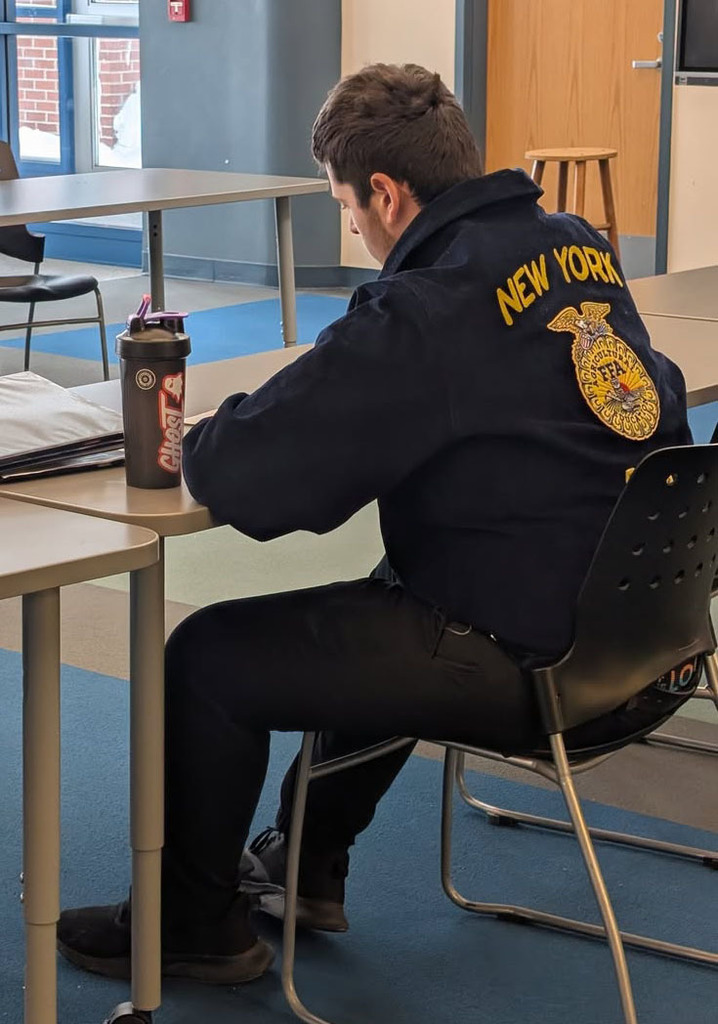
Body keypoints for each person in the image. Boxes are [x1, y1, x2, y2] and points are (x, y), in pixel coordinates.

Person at [57, 63, 695, 985]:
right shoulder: (577, 247)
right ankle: (306, 866)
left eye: (347, 206)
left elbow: (263, 476)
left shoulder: (428, 306)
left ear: (387, 195)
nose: (352, 227)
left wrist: (201, 435)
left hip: (539, 666)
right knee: (390, 597)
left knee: (208, 657)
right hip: (656, 646)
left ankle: (192, 924)